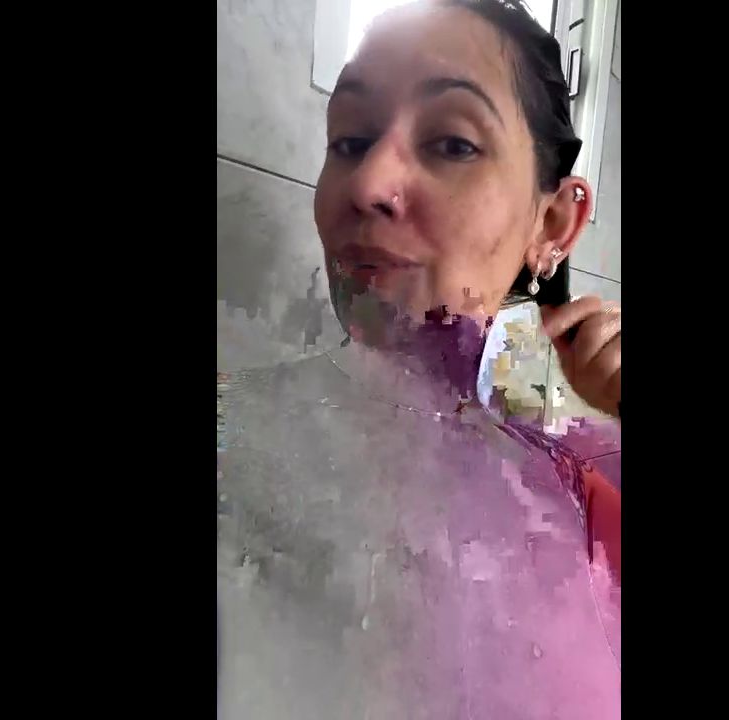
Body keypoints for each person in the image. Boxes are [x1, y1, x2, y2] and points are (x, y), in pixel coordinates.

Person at [217, 1, 621, 717]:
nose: (367, 185)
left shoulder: (588, 493)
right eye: (349, 140)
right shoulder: (233, 434)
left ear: (554, 222)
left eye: (453, 144)